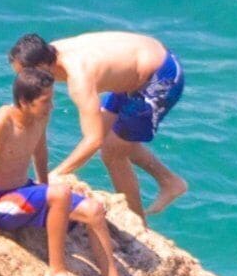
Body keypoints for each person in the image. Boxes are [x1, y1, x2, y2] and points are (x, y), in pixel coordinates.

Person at [0, 66, 139, 276]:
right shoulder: (0, 123)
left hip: (27, 193)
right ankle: (56, 272)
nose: (51, 107)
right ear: (24, 101)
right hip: (2, 203)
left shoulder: (40, 117)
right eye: (45, 101)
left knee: (94, 210)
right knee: (60, 194)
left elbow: (40, 153)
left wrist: (45, 190)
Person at [15, 31, 188, 219]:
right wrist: (42, 177)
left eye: (25, 73)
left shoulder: (79, 77)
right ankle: (169, 181)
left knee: (112, 150)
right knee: (118, 141)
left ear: (41, 67)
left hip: (162, 76)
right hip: (135, 69)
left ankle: (138, 222)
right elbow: (41, 111)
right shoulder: (49, 54)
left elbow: (93, 139)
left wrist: (57, 174)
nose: (24, 80)